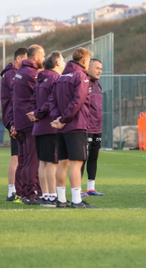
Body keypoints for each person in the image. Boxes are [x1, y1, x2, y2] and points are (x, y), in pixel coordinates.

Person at [50, 47, 96, 208]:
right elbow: (78, 101)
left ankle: (61, 199)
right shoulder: (81, 76)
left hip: (62, 127)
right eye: (89, 61)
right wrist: (63, 119)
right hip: (76, 126)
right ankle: (76, 200)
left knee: (63, 162)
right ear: (84, 61)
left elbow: (52, 100)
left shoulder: (61, 76)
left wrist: (58, 119)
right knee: (77, 163)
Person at [27, 51, 65, 207]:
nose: (64, 63)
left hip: (39, 127)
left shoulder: (40, 79)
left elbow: (32, 100)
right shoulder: (55, 78)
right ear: (57, 63)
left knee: (43, 162)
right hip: (50, 126)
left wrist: (34, 113)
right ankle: (51, 197)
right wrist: (38, 113)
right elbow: (52, 101)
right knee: (52, 163)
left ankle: (46, 195)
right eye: (63, 60)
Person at [13, 44, 45, 205]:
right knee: (33, 160)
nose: (45, 59)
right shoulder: (31, 74)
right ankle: (32, 194)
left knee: (25, 160)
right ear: (36, 57)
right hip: (29, 122)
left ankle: (26, 193)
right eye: (43, 56)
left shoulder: (20, 72)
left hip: (20, 122)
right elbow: (39, 95)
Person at [1, 47, 27, 202]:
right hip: (15, 120)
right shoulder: (12, 74)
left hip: (15, 119)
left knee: (20, 156)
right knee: (16, 156)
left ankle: (18, 188)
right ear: (19, 59)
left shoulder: (11, 73)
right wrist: (13, 123)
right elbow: (14, 99)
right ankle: (12, 190)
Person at [81, 58, 105, 196]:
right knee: (82, 158)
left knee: (94, 158)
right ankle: (78, 188)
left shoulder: (99, 85)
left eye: (101, 69)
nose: (99, 71)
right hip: (86, 128)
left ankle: (91, 187)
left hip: (97, 127)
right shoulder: (84, 83)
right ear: (88, 68)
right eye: (97, 68)